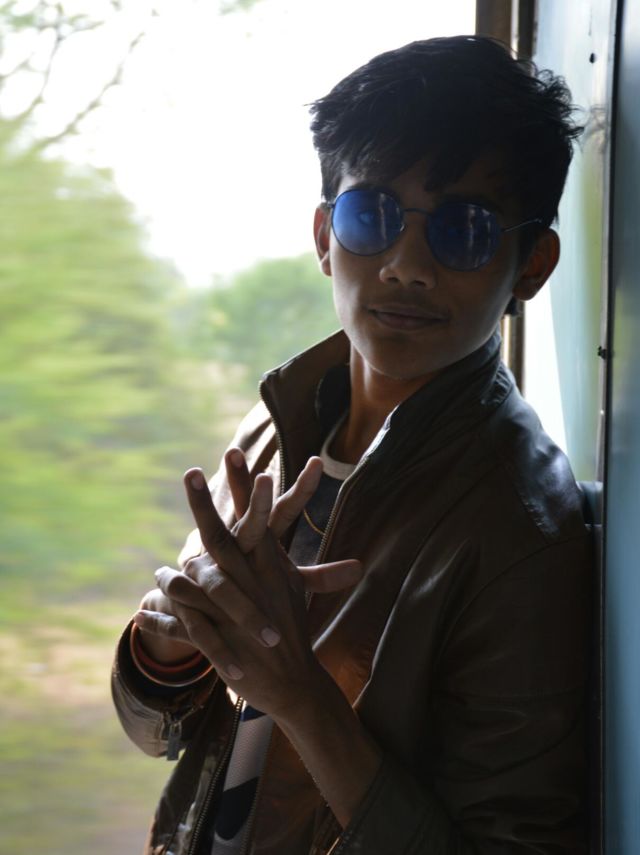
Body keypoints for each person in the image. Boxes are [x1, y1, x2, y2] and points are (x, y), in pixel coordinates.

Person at [112, 35, 592, 854]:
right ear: (324, 236)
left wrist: (300, 694)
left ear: (531, 266)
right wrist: (167, 636)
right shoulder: (278, 425)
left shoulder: (523, 529)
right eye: (372, 215)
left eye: (465, 230)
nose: (407, 266)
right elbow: (164, 734)